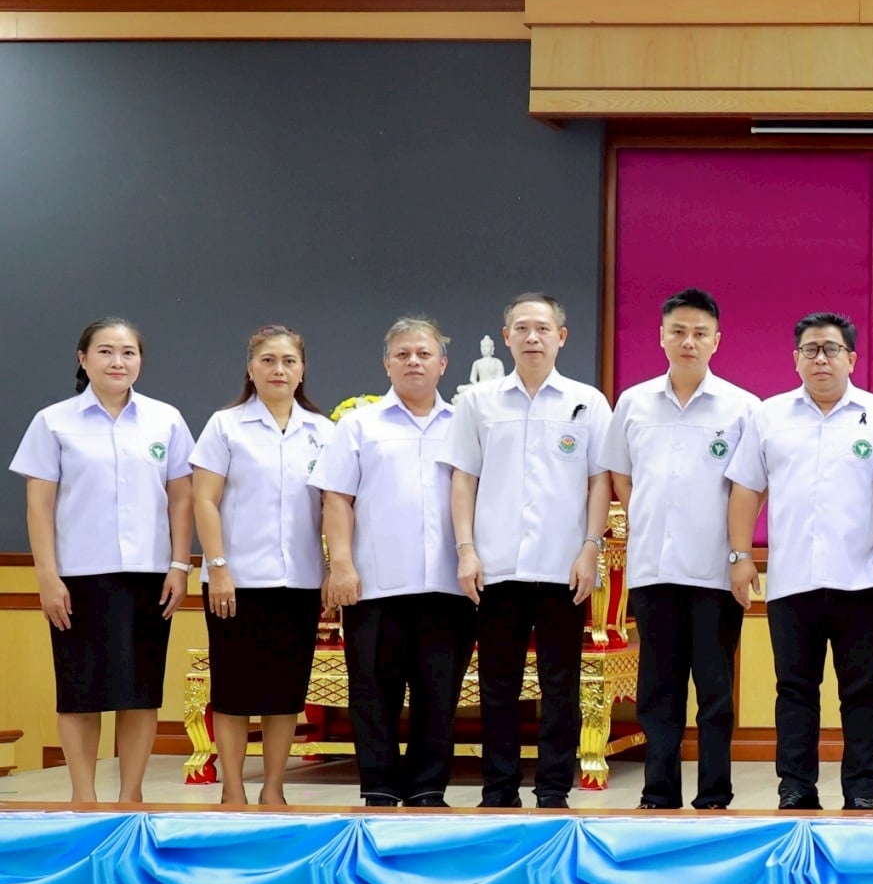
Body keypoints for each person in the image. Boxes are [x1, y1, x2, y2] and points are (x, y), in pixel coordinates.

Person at [12, 318, 193, 805]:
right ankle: (83, 798)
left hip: (150, 576)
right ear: (83, 358)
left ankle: (131, 797)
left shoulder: (166, 419)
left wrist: (180, 565)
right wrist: (47, 577)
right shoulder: (53, 421)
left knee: (140, 691)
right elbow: (39, 506)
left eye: (128, 352)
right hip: (78, 578)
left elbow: (181, 498)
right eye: (106, 351)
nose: (118, 362)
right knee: (80, 691)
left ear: (140, 360)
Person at [447, 293, 611, 810]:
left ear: (561, 337)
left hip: (565, 567)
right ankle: (498, 791)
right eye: (522, 328)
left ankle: (553, 789)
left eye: (542, 328)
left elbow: (600, 480)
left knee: (561, 684)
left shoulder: (587, 401)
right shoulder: (478, 401)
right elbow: (463, 479)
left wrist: (590, 547)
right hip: (495, 567)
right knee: (497, 684)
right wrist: (466, 550)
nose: (532, 337)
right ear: (506, 337)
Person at [726, 311, 873, 811]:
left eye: (832, 349)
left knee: (861, 691)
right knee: (795, 691)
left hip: (862, 579)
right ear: (795, 358)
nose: (821, 359)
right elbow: (746, 489)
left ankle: (861, 789)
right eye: (811, 350)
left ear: (852, 359)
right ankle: (796, 787)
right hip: (791, 579)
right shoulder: (769, 416)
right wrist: (740, 556)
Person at [600, 288, 761, 810]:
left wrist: (739, 557)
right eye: (679, 332)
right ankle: (659, 792)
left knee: (715, 692)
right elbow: (622, 477)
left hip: (715, 571)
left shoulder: (743, 407)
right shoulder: (633, 402)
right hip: (653, 570)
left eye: (699, 333)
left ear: (716, 340)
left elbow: (751, 487)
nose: (688, 342)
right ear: (662, 337)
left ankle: (714, 793)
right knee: (658, 691)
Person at [316, 317, 473, 807]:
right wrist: (341, 565)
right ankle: (379, 788)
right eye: (402, 354)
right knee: (372, 692)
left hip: (448, 586)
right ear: (386, 364)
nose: (413, 362)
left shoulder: (465, 424)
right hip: (375, 586)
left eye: (424, 354)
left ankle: (428, 788)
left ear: (443, 364)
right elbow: (336, 497)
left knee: (439, 694)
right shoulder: (359, 424)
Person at [190, 325, 331, 807]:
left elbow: (334, 509)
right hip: (236, 581)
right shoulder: (225, 426)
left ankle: (274, 788)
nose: (279, 370)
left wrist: (333, 569)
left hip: (300, 582)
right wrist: (218, 566)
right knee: (233, 690)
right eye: (268, 360)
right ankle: (233, 789)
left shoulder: (323, 431)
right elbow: (204, 500)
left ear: (302, 370)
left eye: (289, 361)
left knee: (285, 693)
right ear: (251, 368)